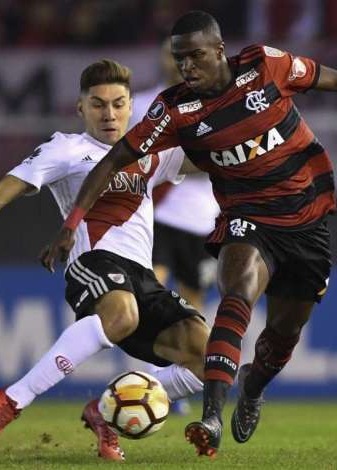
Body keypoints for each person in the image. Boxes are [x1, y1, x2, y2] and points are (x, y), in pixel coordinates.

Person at [41, 10, 337, 458]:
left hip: (306, 219)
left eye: (196, 56)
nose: (187, 67)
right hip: (247, 216)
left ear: (219, 50)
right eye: (180, 59)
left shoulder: (264, 66)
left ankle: (254, 387)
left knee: (283, 333)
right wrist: (70, 224)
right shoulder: (174, 109)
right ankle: (212, 417)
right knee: (236, 294)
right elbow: (112, 161)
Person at [0, 59, 210, 462]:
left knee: (211, 358)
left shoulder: (149, 151)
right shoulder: (66, 149)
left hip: (142, 277)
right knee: (122, 314)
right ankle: (14, 398)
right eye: (97, 104)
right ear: (80, 108)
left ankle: (106, 411)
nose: (109, 114)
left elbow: (215, 158)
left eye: (118, 104)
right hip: (93, 263)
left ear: (131, 106)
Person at [132, 39, 220, 417]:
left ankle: (176, 380)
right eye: (171, 55)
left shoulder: (215, 102)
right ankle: (148, 378)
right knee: (150, 293)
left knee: (192, 303)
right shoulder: (142, 104)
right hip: (157, 215)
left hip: (204, 220)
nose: (178, 63)